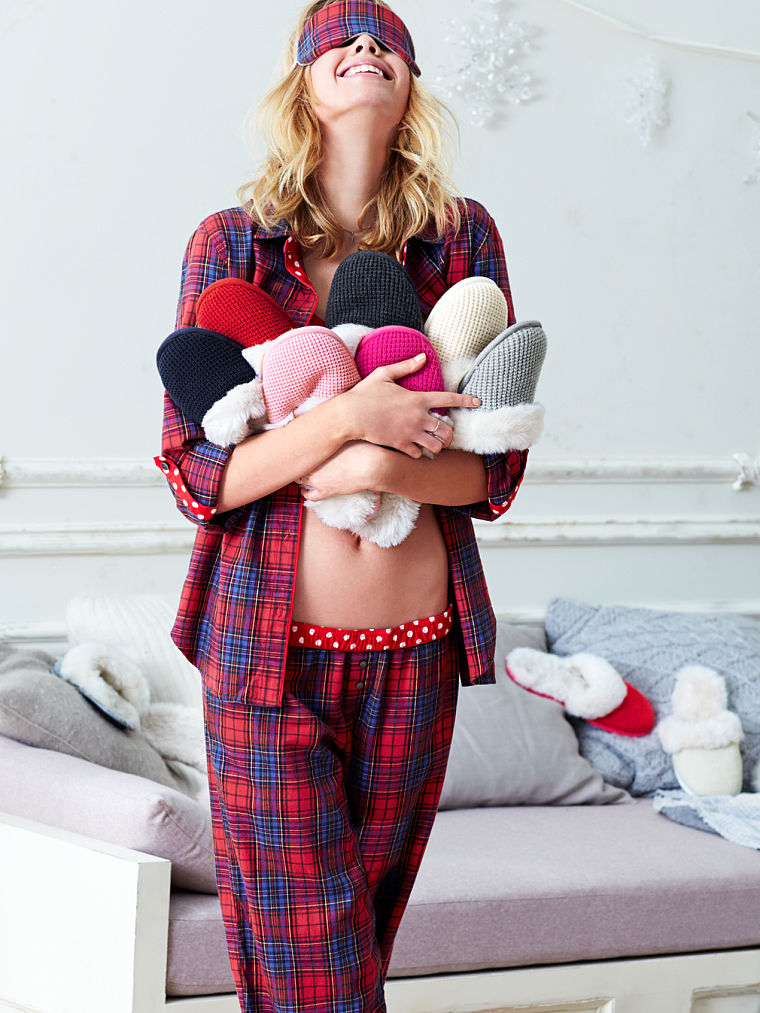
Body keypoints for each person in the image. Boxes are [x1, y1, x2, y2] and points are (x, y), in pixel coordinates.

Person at [155, 1, 529, 1009]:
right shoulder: (230, 243)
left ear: (410, 89)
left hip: (417, 661)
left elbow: (492, 469)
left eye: (387, 44)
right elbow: (199, 473)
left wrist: (386, 468)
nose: (366, 49)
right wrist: (347, 422)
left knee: (350, 962)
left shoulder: (461, 240)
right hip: (266, 663)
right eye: (341, 42)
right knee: (314, 979)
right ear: (301, 85)